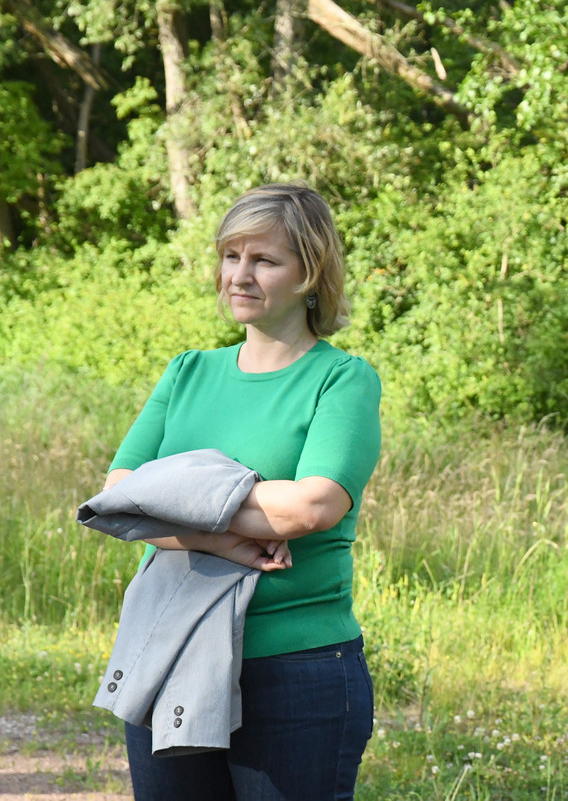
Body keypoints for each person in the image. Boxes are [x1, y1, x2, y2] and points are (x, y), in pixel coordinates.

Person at [100, 183, 382, 800]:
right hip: (170, 647)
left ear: (310, 273)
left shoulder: (341, 379)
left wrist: (176, 502)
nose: (240, 275)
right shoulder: (187, 371)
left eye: (265, 260)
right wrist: (222, 540)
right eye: (232, 256)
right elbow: (119, 496)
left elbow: (314, 505)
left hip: (295, 668)